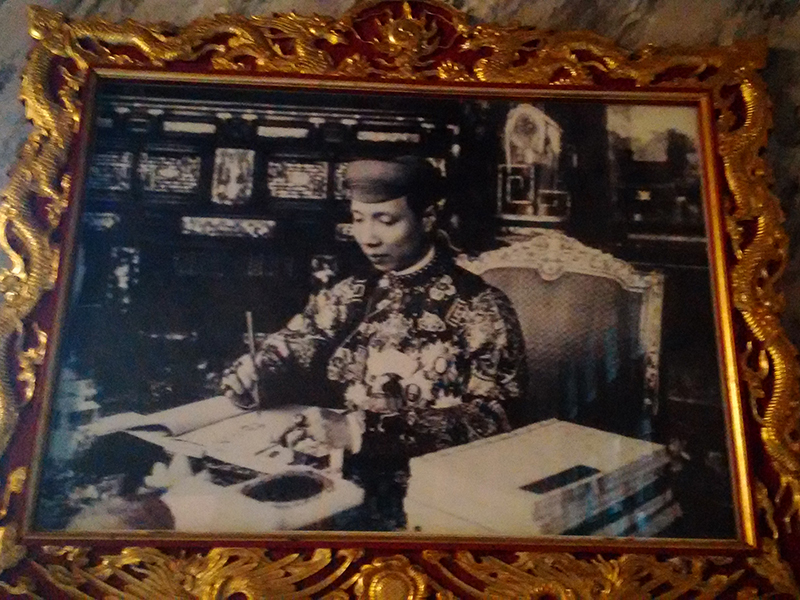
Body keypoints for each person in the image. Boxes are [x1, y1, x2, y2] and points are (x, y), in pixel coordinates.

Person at [221, 156, 528, 529]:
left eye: (386, 220)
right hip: (334, 482)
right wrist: (258, 372)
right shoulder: (351, 293)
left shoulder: (479, 306)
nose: (368, 237)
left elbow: (498, 417)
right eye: (359, 219)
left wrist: (359, 430)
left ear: (428, 217)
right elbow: (295, 344)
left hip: (430, 496)